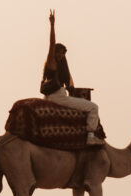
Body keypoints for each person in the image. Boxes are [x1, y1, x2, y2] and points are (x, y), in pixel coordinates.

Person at [41, 10, 102, 145]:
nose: (61, 56)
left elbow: (68, 81)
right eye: (59, 53)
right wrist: (52, 25)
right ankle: (90, 136)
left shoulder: (59, 66)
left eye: (63, 54)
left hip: (52, 96)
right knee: (93, 108)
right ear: (55, 52)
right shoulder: (52, 63)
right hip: (58, 97)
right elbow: (51, 44)